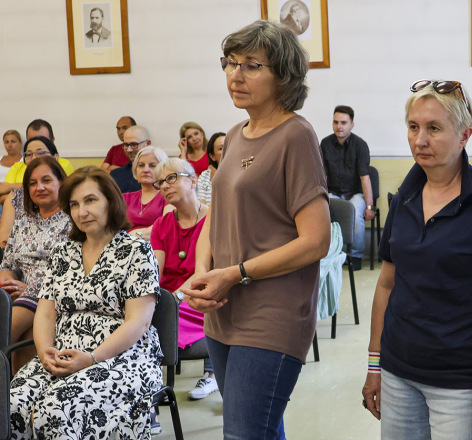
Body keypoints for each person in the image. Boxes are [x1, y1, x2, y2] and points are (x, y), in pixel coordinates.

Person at [182, 20, 330, 440]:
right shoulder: (236, 134)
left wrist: (236, 272)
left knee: (244, 433)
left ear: (282, 76)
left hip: (272, 311)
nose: (235, 75)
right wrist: (202, 270)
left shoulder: (295, 135)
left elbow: (316, 240)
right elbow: (216, 214)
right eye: (230, 63)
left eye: (251, 66)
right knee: (261, 430)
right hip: (224, 307)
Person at [361, 79, 472, 440]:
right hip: (399, 373)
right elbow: (386, 284)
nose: (420, 139)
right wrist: (375, 365)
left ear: (465, 135)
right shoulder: (405, 196)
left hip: (460, 383)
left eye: (434, 128)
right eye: (413, 127)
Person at [9, 166, 162, 439]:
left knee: (56, 408)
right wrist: (45, 353)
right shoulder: (63, 252)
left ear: (110, 202)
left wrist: (92, 358)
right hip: (62, 354)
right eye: (74, 204)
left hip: (121, 358)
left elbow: (139, 321)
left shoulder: (136, 250)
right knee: (12, 403)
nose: (82, 212)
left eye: (91, 200)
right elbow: (45, 313)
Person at [150, 158, 218, 400]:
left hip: (198, 296)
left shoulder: (214, 220)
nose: (165, 186)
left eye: (172, 178)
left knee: (152, 325)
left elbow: (205, 271)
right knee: (142, 319)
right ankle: (151, 393)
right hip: (169, 298)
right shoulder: (161, 225)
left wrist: (176, 297)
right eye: (160, 183)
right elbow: (155, 272)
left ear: (193, 180)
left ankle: (211, 375)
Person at [0, 156, 70, 372]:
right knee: (26, 341)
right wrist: (7, 280)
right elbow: (9, 263)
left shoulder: (74, 219)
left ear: (61, 183)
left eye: (46, 180)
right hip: (18, 295)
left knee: (8, 329)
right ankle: (13, 400)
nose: (39, 187)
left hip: (54, 296)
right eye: (32, 183)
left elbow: (69, 271)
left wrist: (28, 290)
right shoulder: (23, 221)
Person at [320, 105, 374, 270]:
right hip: (333, 193)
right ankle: (332, 255)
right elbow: (323, 176)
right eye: (336, 122)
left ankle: (355, 256)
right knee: (323, 215)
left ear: (352, 124)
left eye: (343, 122)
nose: (339, 126)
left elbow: (365, 178)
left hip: (355, 194)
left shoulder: (360, 145)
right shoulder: (325, 143)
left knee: (356, 216)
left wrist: (370, 206)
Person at [0, 137, 75, 205]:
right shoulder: (18, 166)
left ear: (55, 157)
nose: (34, 158)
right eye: (29, 154)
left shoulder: (60, 171)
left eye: (41, 153)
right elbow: (2, 194)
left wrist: (11, 187)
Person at [123, 146, 170, 239]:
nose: (145, 170)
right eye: (141, 165)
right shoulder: (124, 197)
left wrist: (135, 236)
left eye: (152, 165)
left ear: (163, 170)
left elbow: (166, 225)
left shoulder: (168, 195)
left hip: (156, 247)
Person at [110, 125, 151, 193]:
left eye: (134, 144)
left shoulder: (159, 173)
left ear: (148, 144)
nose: (129, 150)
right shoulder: (116, 175)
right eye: (126, 145)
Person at [196, 132, 225, 205]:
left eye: (229, 145)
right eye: (221, 148)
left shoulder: (243, 171)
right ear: (212, 156)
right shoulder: (204, 176)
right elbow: (201, 206)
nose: (226, 150)